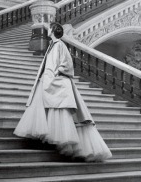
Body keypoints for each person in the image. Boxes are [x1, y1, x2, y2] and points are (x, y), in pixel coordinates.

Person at [14, 22, 112, 161]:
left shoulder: (60, 44)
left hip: (57, 82)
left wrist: (56, 72)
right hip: (47, 81)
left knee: (60, 110)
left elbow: (67, 63)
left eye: (49, 29)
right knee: (45, 106)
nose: (47, 30)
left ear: (53, 30)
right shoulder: (51, 46)